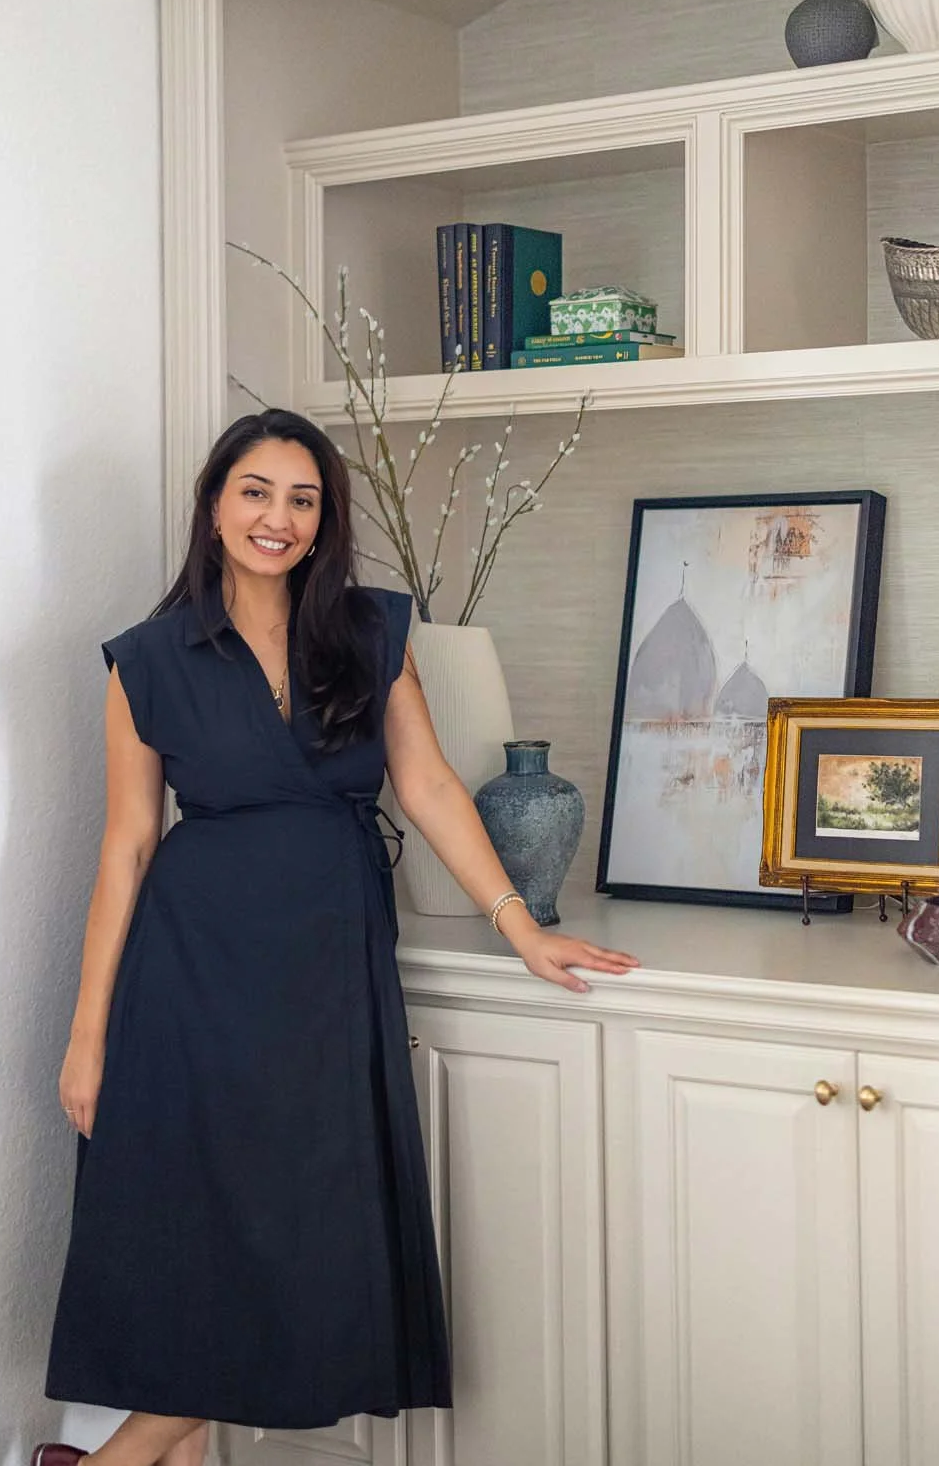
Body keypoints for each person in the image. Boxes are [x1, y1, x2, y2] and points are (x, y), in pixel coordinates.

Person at [34, 408, 640, 1466]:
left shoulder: (370, 632)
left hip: (325, 966)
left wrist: (521, 927)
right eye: (256, 493)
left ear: (325, 519)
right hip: (189, 976)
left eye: (302, 499)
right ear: (214, 508)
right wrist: (87, 1035)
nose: (278, 517)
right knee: (202, 1237)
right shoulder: (143, 663)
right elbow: (126, 848)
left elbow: (431, 786)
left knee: (303, 1232)